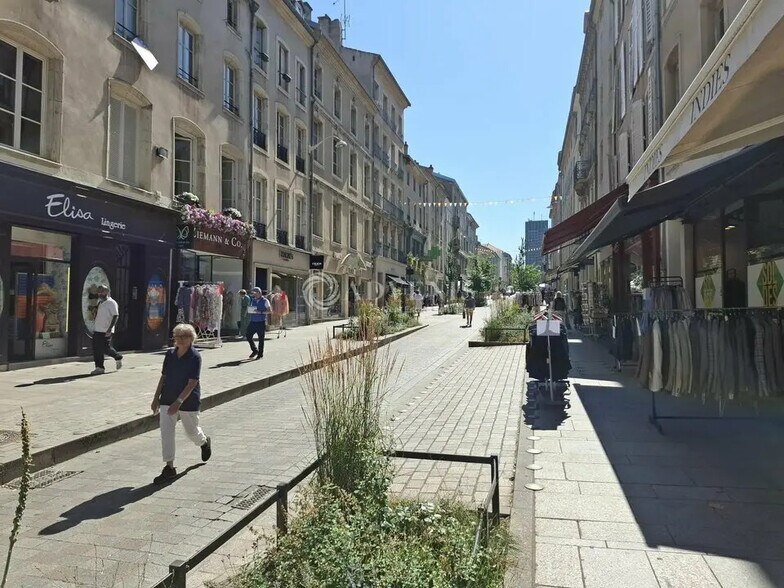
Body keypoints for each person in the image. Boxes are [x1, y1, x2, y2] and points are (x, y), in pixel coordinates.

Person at [150, 323, 211, 484]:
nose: (181, 339)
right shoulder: (170, 354)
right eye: (178, 336)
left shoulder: (195, 356)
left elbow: (192, 382)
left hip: (188, 399)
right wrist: (156, 398)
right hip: (167, 397)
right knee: (166, 432)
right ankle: (169, 467)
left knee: (191, 431)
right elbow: (164, 377)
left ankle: (204, 442)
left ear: (192, 338)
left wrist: (179, 402)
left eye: (184, 336)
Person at [91, 284, 122, 375]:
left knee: (105, 348)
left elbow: (115, 316)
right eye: (98, 292)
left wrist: (110, 329)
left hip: (106, 330)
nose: (100, 294)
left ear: (107, 292)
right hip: (97, 329)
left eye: (102, 292)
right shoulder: (100, 302)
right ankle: (99, 367)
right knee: (97, 349)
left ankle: (117, 356)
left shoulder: (111, 303)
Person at [246, 287, 271, 359]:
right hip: (253, 321)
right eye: (253, 293)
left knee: (261, 339)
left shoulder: (265, 301)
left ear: (260, 293)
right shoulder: (253, 300)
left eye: (256, 293)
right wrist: (249, 310)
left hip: (260, 322)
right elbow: (252, 308)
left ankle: (260, 354)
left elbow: (269, 311)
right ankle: (255, 350)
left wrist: (260, 312)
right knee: (248, 335)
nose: (254, 295)